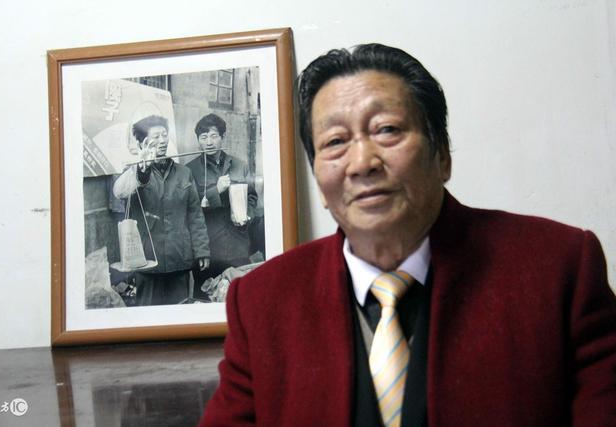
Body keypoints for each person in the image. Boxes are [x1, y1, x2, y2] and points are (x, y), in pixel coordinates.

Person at [199, 44, 616, 426]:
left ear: (442, 154)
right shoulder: (263, 301)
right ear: (318, 181)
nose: (362, 163)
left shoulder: (558, 270)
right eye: (335, 141)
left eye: (387, 130)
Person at [113, 114, 210, 306]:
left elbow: (195, 216)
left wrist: (202, 250)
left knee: (180, 311)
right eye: (155, 137)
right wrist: (142, 170)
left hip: (179, 258)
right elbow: (119, 191)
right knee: (148, 315)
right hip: (147, 261)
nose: (162, 140)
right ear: (142, 143)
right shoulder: (133, 172)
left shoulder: (184, 173)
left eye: (164, 135)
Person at [187, 113, 258, 296]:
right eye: (203, 137)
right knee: (206, 297)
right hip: (209, 251)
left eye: (213, 136)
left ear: (223, 137)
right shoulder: (190, 170)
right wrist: (215, 190)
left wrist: (247, 215)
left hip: (238, 246)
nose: (209, 142)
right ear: (198, 140)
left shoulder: (240, 166)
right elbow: (190, 209)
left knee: (241, 296)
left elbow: (252, 197)